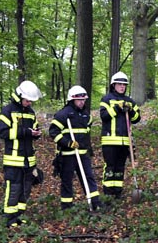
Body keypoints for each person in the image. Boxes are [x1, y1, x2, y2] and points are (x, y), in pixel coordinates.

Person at [0, 80, 43, 227]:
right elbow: (2, 132)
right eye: (27, 100)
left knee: (26, 189)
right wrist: (24, 132)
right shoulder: (7, 111)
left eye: (31, 101)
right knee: (14, 188)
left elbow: (35, 127)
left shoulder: (30, 112)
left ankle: (18, 216)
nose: (29, 103)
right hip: (13, 159)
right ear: (20, 96)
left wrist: (36, 134)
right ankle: (9, 219)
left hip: (28, 159)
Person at [49, 85, 102, 211]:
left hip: (82, 154)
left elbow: (86, 131)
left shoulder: (86, 115)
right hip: (67, 155)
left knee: (89, 177)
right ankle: (66, 207)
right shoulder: (63, 115)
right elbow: (53, 132)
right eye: (79, 100)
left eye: (84, 99)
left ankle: (95, 203)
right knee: (67, 181)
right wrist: (68, 143)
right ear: (72, 99)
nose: (82, 102)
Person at [98, 71, 141, 199]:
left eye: (124, 85)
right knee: (110, 167)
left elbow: (137, 118)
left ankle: (117, 192)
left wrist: (131, 110)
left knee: (120, 168)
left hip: (124, 141)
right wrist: (117, 108)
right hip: (110, 140)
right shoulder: (107, 99)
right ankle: (107, 193)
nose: (122, 87)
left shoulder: (130, 101)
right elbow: (104, 116)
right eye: (119, 84)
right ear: (113, 85)